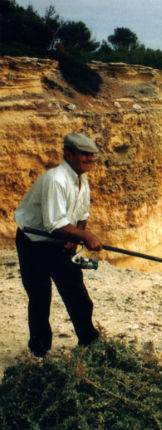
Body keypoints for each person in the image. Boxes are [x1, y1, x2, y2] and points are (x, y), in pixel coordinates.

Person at [14, 132, 103, 357]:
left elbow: (82, 213)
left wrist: (75, 237)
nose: (89, 160)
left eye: (92, 156)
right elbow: (54, 224)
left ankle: (89, 345)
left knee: (78, 295)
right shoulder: (56, 179)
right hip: (34, 243)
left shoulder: (82, 180)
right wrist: (85, 237)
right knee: (40, 298)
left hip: (59, 242)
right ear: (68, 154)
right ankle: (39, 353)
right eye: (84, 155)